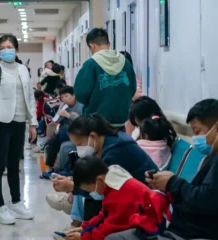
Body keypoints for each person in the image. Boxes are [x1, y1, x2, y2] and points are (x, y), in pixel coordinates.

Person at [107, 98, 218, 240]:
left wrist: (172, 183)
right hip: (180, 227)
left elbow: (206, 200)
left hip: (193, 233)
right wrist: (167, 186)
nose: (196, 138)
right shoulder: (211, 157)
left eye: (197, 131)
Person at [0, 35, 37, 225]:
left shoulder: (23, 69)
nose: (7, 50)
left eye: (10, 46)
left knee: (14, 164)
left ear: (17, 49)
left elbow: (29, 96)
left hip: (20, 120)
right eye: (3, 47)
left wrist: (33, 122)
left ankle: (16, 201)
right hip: (1, 121)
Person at [64, 157, 171, 240]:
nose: (91, 193)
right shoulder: (111, 178)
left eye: (89, 190)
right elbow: (104, 213)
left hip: (152, 227)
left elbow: (111, 228)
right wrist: (85, 227)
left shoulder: (120, 194)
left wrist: (83, 237)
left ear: (99, 180)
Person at [74, 28, 136, 129]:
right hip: (121, 120)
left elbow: (80, 94)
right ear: (109, 44)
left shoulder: (91, 64)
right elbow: (132, 89)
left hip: (96, 122)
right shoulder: (126, 62)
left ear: (91, 45)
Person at [43, 86, 83, 178]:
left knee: (64, 145)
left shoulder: (80, 106)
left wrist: (68, 116)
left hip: (77, 134)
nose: (64, 99)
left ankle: (59, 169)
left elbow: (82, 122)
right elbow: (56, 120)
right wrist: (60, 114)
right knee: (52, 143)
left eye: (66, 96)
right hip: (65, 132)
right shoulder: (63, 106)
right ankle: (49, 168)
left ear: (73, 96)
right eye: (62, 97)